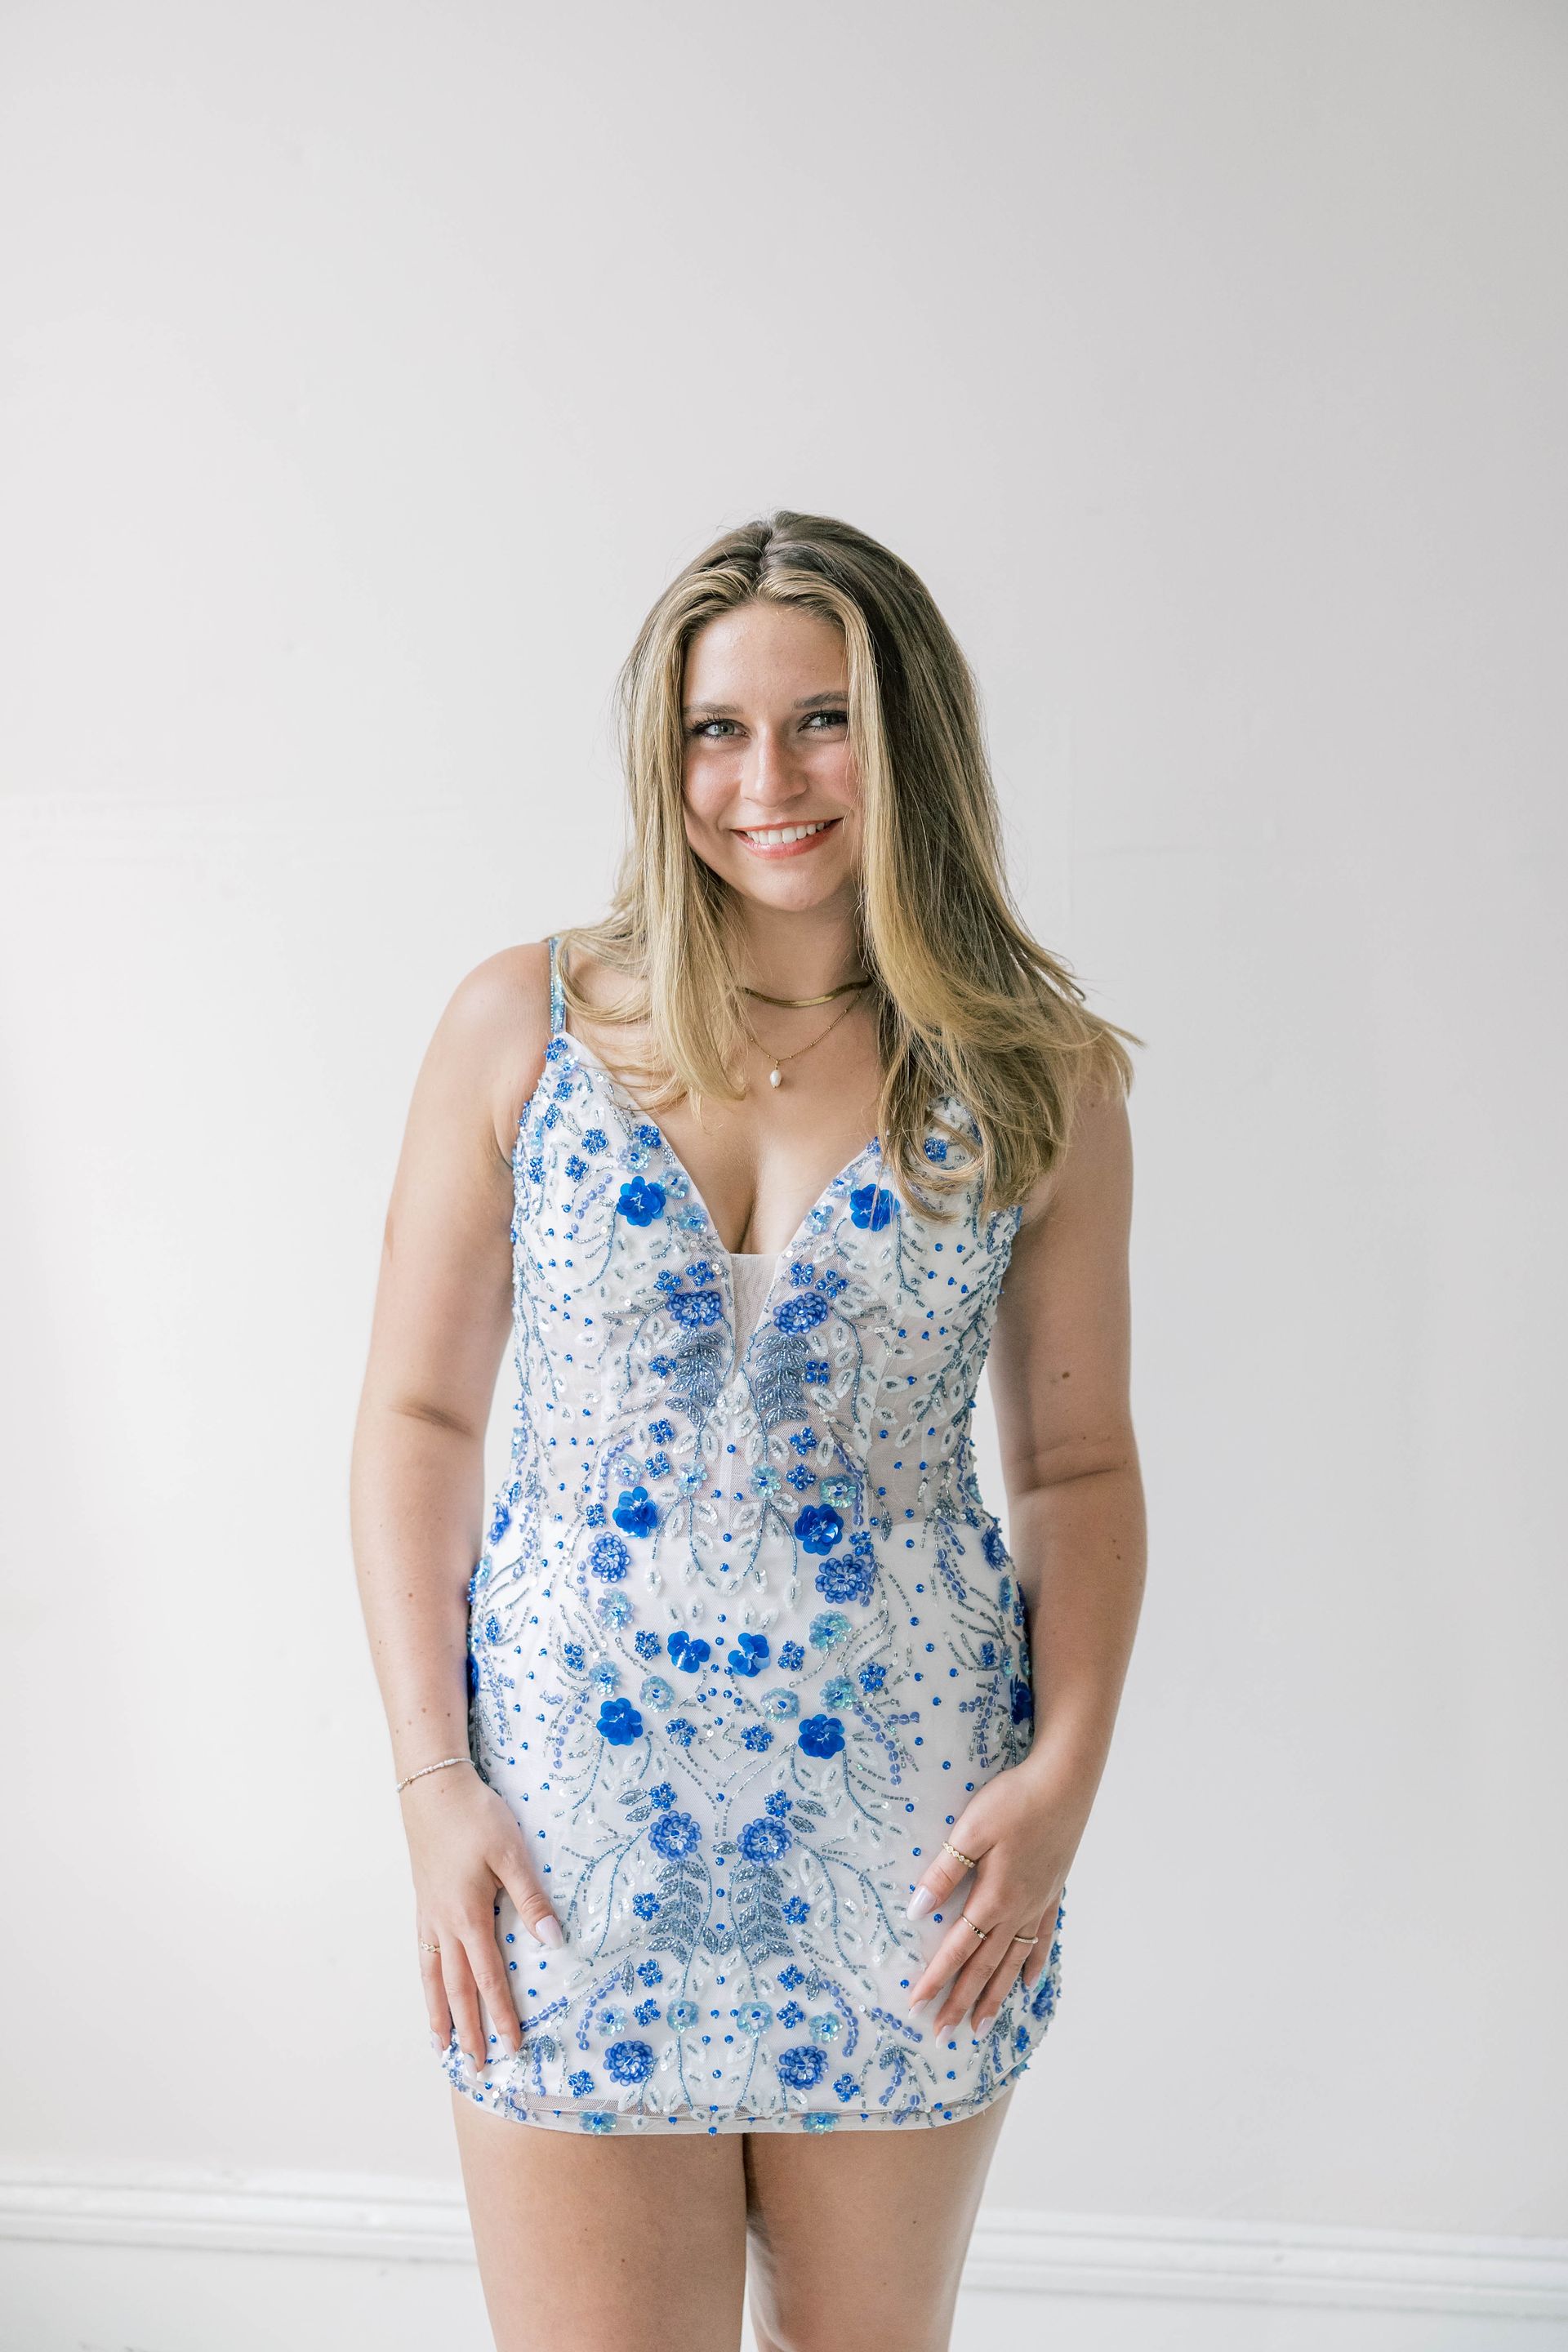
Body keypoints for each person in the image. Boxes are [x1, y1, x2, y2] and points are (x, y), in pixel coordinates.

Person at [350, 510, 1147, 2352]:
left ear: (913, 739)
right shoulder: (520, 1027)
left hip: (920, 1829)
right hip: (564, 1824)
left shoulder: (1036, 1075)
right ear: (665, 755)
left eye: (824, 718)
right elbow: (412, 1413)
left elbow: (1080, 1468)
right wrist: (430, 1786)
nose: (764, 778)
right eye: (716, 728)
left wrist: (1061, 1788)